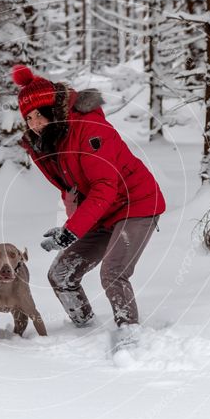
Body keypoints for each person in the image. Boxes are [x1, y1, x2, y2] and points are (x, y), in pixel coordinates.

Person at [12, 64, 166, 355]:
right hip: (102, 213)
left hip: (136, 205)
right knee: (61, 275)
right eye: (28, 118)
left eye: (38, 115)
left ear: (53, 110)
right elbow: (71, 188)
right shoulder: (48, 141)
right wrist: (71, 225)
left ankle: (129, 338)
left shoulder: (89, 130)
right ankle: (84, 329)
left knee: (113, 272)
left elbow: (104, 186)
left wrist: (71, 231)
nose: (33, 123)